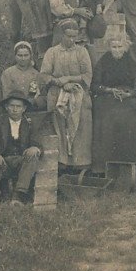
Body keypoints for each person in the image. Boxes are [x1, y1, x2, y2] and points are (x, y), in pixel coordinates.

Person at [40, 17, 93, 169]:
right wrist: (59, 82)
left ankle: (80, 164)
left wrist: (69, 79)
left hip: (79, 94)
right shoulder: (52, 52)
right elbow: (44, 75)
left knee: (81, 128)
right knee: (60, 128)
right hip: (57, 95)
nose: (71, 39)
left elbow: (87, 74)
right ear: (62, 35)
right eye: (68, 36)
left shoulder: (82, 52)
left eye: (74, 36)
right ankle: (61, 164)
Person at [91, 34, 136, 174]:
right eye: (113, 47)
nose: (116, 50)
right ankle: (104, 168)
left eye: (119, 47)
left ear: (125, 47)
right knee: (107, 123)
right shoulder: (103, 62)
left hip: (127, 99)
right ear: (109, 48)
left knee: (130, 122)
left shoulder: (132, 62)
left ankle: (131, 167)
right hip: (107, 99)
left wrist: (129, 94)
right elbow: (95, 85)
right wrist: (109, 90)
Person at [0, 92, 43, 204]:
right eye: (12, 106)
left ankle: (18, 196)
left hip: (22, 162)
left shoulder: (29, 124)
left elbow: (38, 144)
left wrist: (35, 148)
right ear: (7, 107)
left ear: (24, 109)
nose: (15, 109)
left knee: (33, 157)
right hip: (4, 162)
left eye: (18, 106)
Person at [1, 41, 47, 113]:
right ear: (15, 56)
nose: (23, 58)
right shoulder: (8, 73)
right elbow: (5, 95)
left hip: (31, 111)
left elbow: (44, 97)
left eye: (26, 55)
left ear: (30, 56)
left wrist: (35, 101)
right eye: (20, 55)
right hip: (13, 111)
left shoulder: (37, 74)